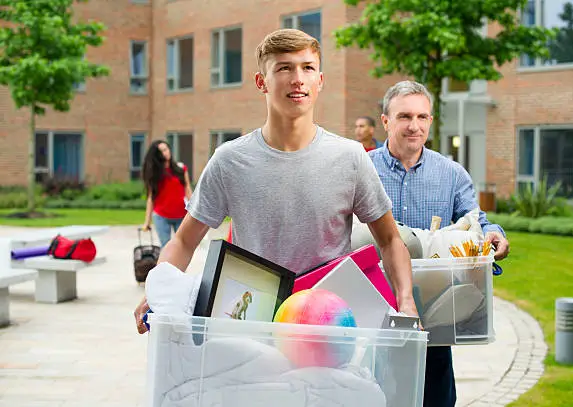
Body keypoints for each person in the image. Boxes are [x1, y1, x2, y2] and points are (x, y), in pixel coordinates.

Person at [134, 29, 418, 334]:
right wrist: (158, 289)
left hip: (329, 325)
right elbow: (184, 240)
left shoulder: (350, 157)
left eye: (307, 68)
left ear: (319, 81)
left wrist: (406, 301)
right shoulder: (230, 160)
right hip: (253, 321)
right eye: (284, 68)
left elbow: (390, 240)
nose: (298, 78)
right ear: (262, 82)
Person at [368, 80, 510, 407]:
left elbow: (475, 220)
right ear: (386, 121)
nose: (414, 126)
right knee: (374, 391)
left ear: (430, 121)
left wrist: (494, 234)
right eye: (404, 116)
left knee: (436, 395)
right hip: (375, 301)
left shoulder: (452, 174)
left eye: (422, 117)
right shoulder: (363, 168)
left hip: (432, 308)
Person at [141, 140, 192, 248]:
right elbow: (151, 197)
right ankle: (166, 265)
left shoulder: (181, 168)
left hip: (181, 215)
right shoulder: (154, 173)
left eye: (166, 149)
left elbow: (187, 188)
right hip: (161, 216)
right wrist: (147, 222)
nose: (165, 152)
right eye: (161, 151)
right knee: (166, 247)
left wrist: (194, 210)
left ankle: (179, 266)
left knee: (183, 247)